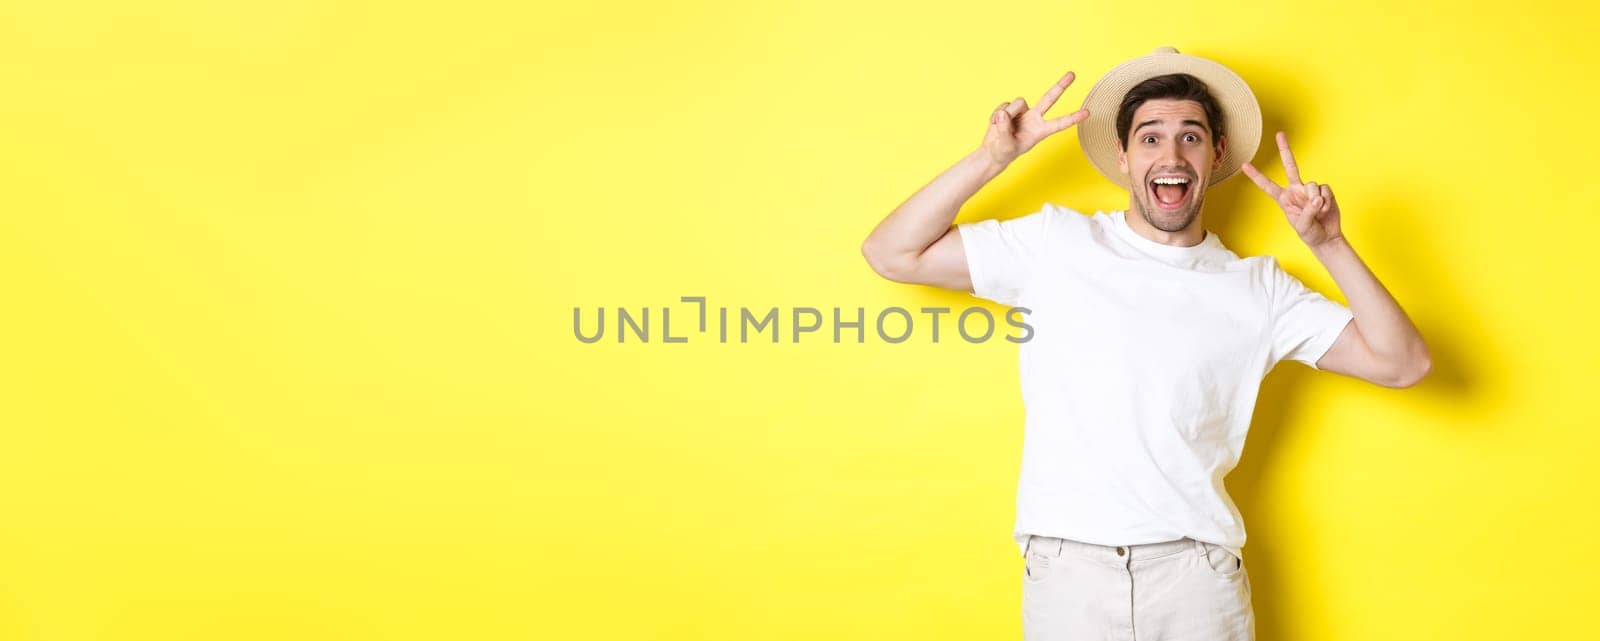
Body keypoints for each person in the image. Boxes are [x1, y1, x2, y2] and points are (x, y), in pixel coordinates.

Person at [858, 47, 1431, 641]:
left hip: (1196, 579)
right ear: (1125, 157)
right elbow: (891, 252)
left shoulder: (1258, 288)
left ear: (1217, 155)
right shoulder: (1056, 244)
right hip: (1069, 575)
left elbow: (1403, 362)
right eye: (1151, 138)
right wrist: (992, 157)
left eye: (1191, 137)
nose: (1172, 154)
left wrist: (1329, 244)